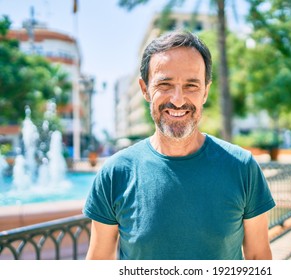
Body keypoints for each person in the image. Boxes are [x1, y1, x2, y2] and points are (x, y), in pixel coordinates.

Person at [83, 31, 275, 260]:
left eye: (191, 85)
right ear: (145, 90)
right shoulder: (115, 173)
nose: (178, 99)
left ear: (205, 91)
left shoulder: (243, 167)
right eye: (165, 84)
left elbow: (258, 257)